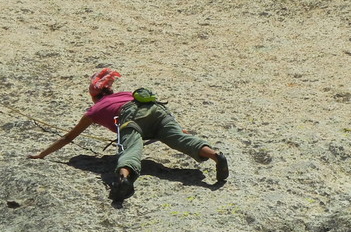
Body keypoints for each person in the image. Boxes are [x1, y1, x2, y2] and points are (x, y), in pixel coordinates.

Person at [28, 68, 229, 198]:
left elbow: (68, 137)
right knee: (179, 139)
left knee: (131, 148)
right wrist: (179, 128)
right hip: (157, 111)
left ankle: (123, 180)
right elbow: (172, 126)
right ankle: (215, 156)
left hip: (131, 118)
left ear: (94, 96)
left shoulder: (94, 111)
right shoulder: (124, 94)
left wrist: (41, 155)